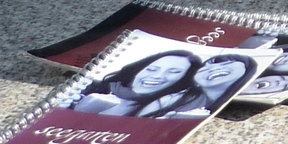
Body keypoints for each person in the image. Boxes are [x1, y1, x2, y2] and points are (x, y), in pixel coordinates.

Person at [73, 50, 201, 117]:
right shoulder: (94, 88)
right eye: (152, 69)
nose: (157, 76)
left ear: (184, 79)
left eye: (174, 72)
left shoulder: (168, 107)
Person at [162, 55, 261, 118]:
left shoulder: (254, 97)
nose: (213, 68)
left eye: (227, 63)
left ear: (247, 70)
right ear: (196, 82)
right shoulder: (172, 101)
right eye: (203, 69)